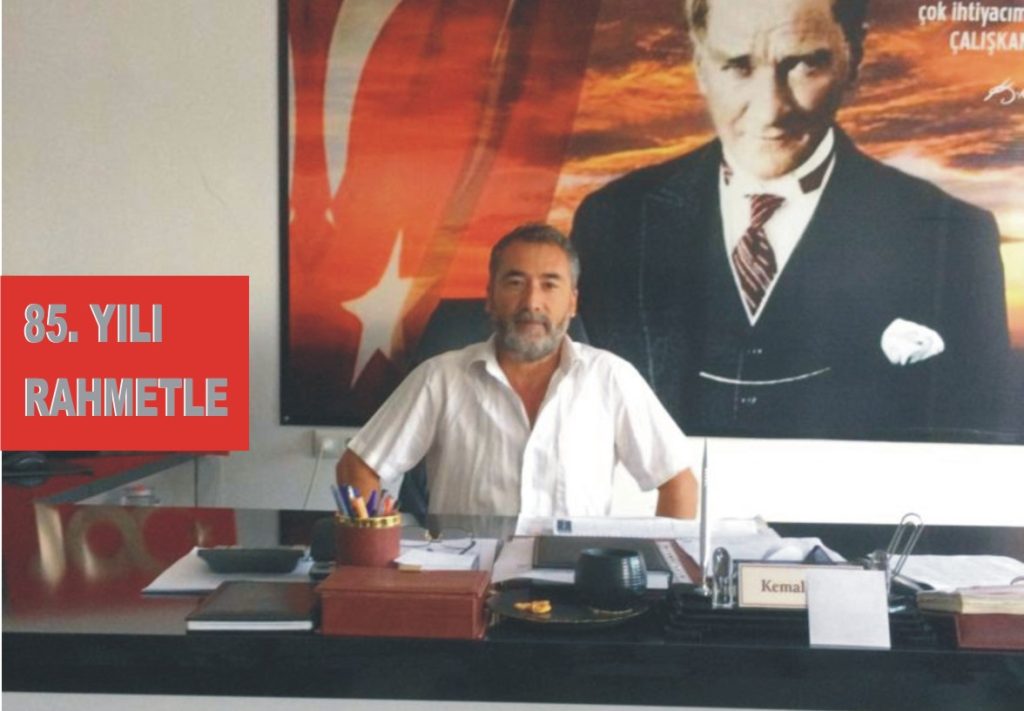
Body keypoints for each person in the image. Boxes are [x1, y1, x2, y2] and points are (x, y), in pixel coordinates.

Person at [571, 0, 1011, 441]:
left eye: (802, 64)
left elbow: (977, 434)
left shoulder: (953, 237)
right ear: (700, 65)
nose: (770, 110)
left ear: (853, 58)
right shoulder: (612, 222)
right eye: (737, 65)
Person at [337, 224, 697, 517]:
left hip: (574, 580)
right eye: (515, 283)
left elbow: (678, 484)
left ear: (572, 302)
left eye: (549, 284)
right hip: (465, 578)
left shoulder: (612, 378)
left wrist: (664, 570)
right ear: (490, 298)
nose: (532, 302)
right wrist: (376, 558)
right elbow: (357, 468)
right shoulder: (439, 378)